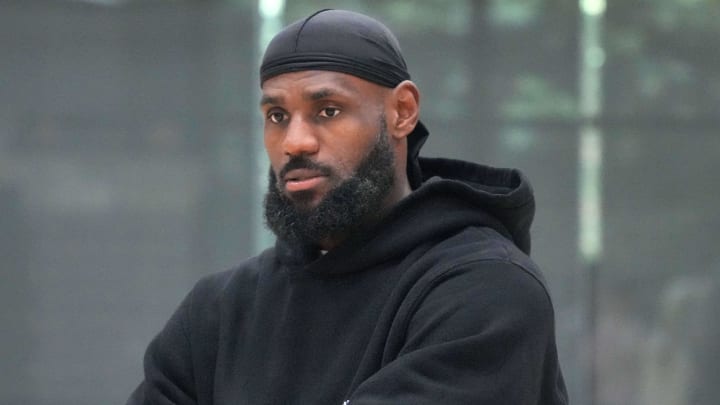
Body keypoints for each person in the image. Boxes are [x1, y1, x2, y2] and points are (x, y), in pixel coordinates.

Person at [127, 9, 568, 405]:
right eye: (277, 116)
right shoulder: (219, 311)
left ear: (402, 111)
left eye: (329, 111)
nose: (296, 142)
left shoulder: (486, 290)